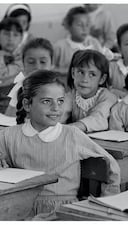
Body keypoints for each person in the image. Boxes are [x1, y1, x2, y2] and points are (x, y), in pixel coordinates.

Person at [0, 70, 120, 220]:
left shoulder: (72, 135)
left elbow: (111, 165)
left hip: (62, 212)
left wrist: (106, 204)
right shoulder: (8, 135)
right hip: (18, 210)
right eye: (46, 101)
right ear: (27, 104)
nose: (56, 108)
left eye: (60, 101)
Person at [66, 49, 118, 133]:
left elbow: (98, 118)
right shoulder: (71, 95)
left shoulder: (107, 97)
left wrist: (69, 128)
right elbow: (61, 111)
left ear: (102, 79)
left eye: (92, 74)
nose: (85, 79)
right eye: (81, 72)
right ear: (73, 73)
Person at [5, 38, 54, 117]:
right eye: (31, 62)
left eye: (43, 62)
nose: (37, 67)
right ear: (23, 65)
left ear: (52, 64)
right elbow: (9, 117)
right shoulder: (20, 88)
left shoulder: (59, 89)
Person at [53, 6, 104, 74]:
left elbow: (102, 66)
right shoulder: (59, 47)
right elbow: (50, 68)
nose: (84, 28)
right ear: (68, 26)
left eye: (87, 24)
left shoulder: (94, 43)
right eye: (79, 25)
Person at [0, 18, 23, 113]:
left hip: (19, 100)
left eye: (15, 35)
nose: (10, 38)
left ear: (21, 38)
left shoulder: (25, 56)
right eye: (6, 34)